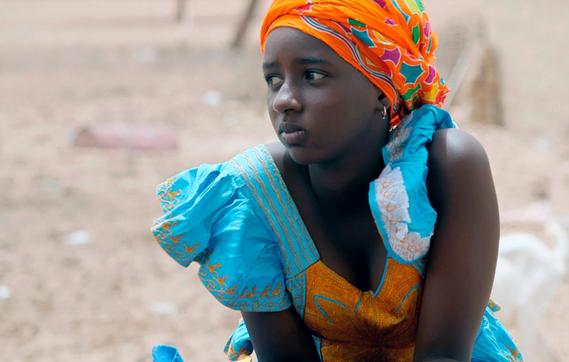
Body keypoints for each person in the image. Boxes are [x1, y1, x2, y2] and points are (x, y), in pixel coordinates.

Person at [151, 0, 522, 361]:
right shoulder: (257, 193)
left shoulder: (447, 167)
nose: (284, 100)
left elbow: (444, 355)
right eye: (273, 79)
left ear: (381, 86)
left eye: (313, 75)